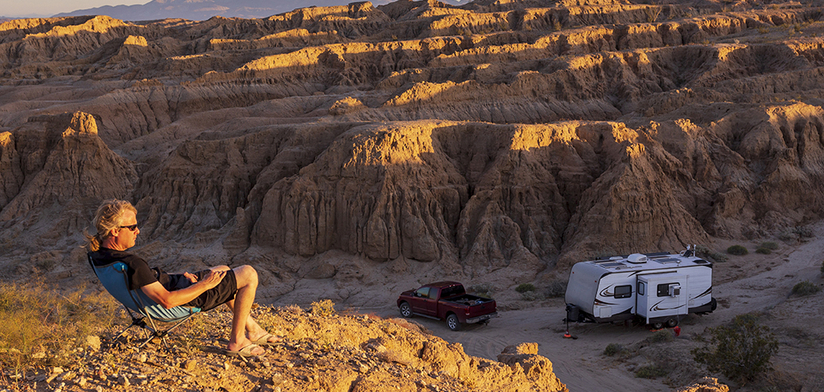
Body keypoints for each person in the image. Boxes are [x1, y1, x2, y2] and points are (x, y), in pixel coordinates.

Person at [86, 199, 279, 357]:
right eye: (133, 227)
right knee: (249, 274)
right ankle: (237, 340)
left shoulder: (98, 256)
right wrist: (204, 285)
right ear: (115, 231)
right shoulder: (133, 263)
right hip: (182, 301)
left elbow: (147, 281)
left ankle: (253, 329)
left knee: (224, 270)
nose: (138, 231)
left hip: (172, 289)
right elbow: (168, 301)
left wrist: (180, 276)